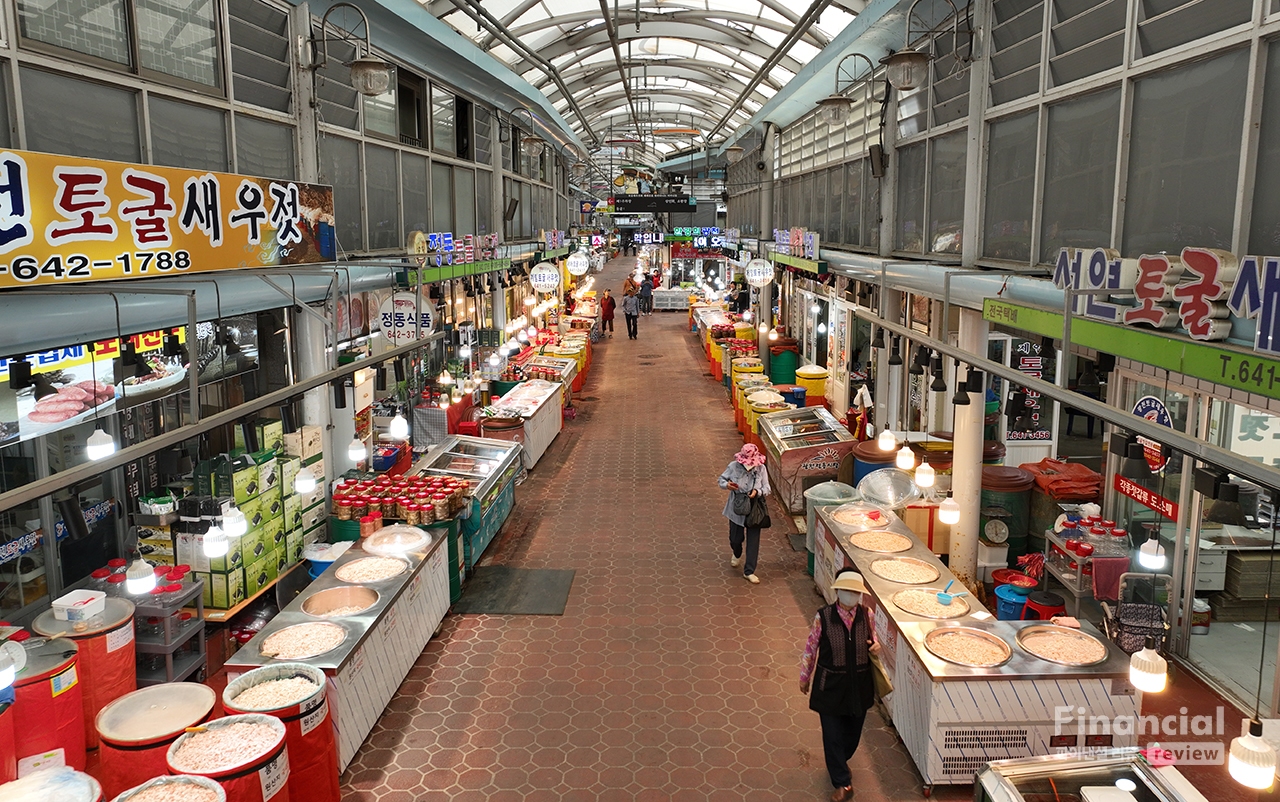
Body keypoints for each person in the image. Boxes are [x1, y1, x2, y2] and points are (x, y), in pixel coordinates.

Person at [799, 569, 880, 802]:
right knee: (832, 735)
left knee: (852, 735)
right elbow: (810, 648)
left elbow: (874, 642)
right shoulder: (823, 617)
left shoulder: (868, 615)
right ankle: (842, 782)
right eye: (847, 590)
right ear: (838, 591)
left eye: (855, 592)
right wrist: (805, 677)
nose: (850, 595)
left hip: (859, 686)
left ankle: (839, 762)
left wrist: (876, 647)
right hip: (830, 686)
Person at [717, 442, 771, 584]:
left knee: (753, 542)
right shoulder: (733, 466)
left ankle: (749, 571)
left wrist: (757, 492)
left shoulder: (761, 469)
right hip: (737, 507)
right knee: (735, 538)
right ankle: (737, 552)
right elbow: (721, 480)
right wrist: (727, 485)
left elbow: (767, 488)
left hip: (755, 509)